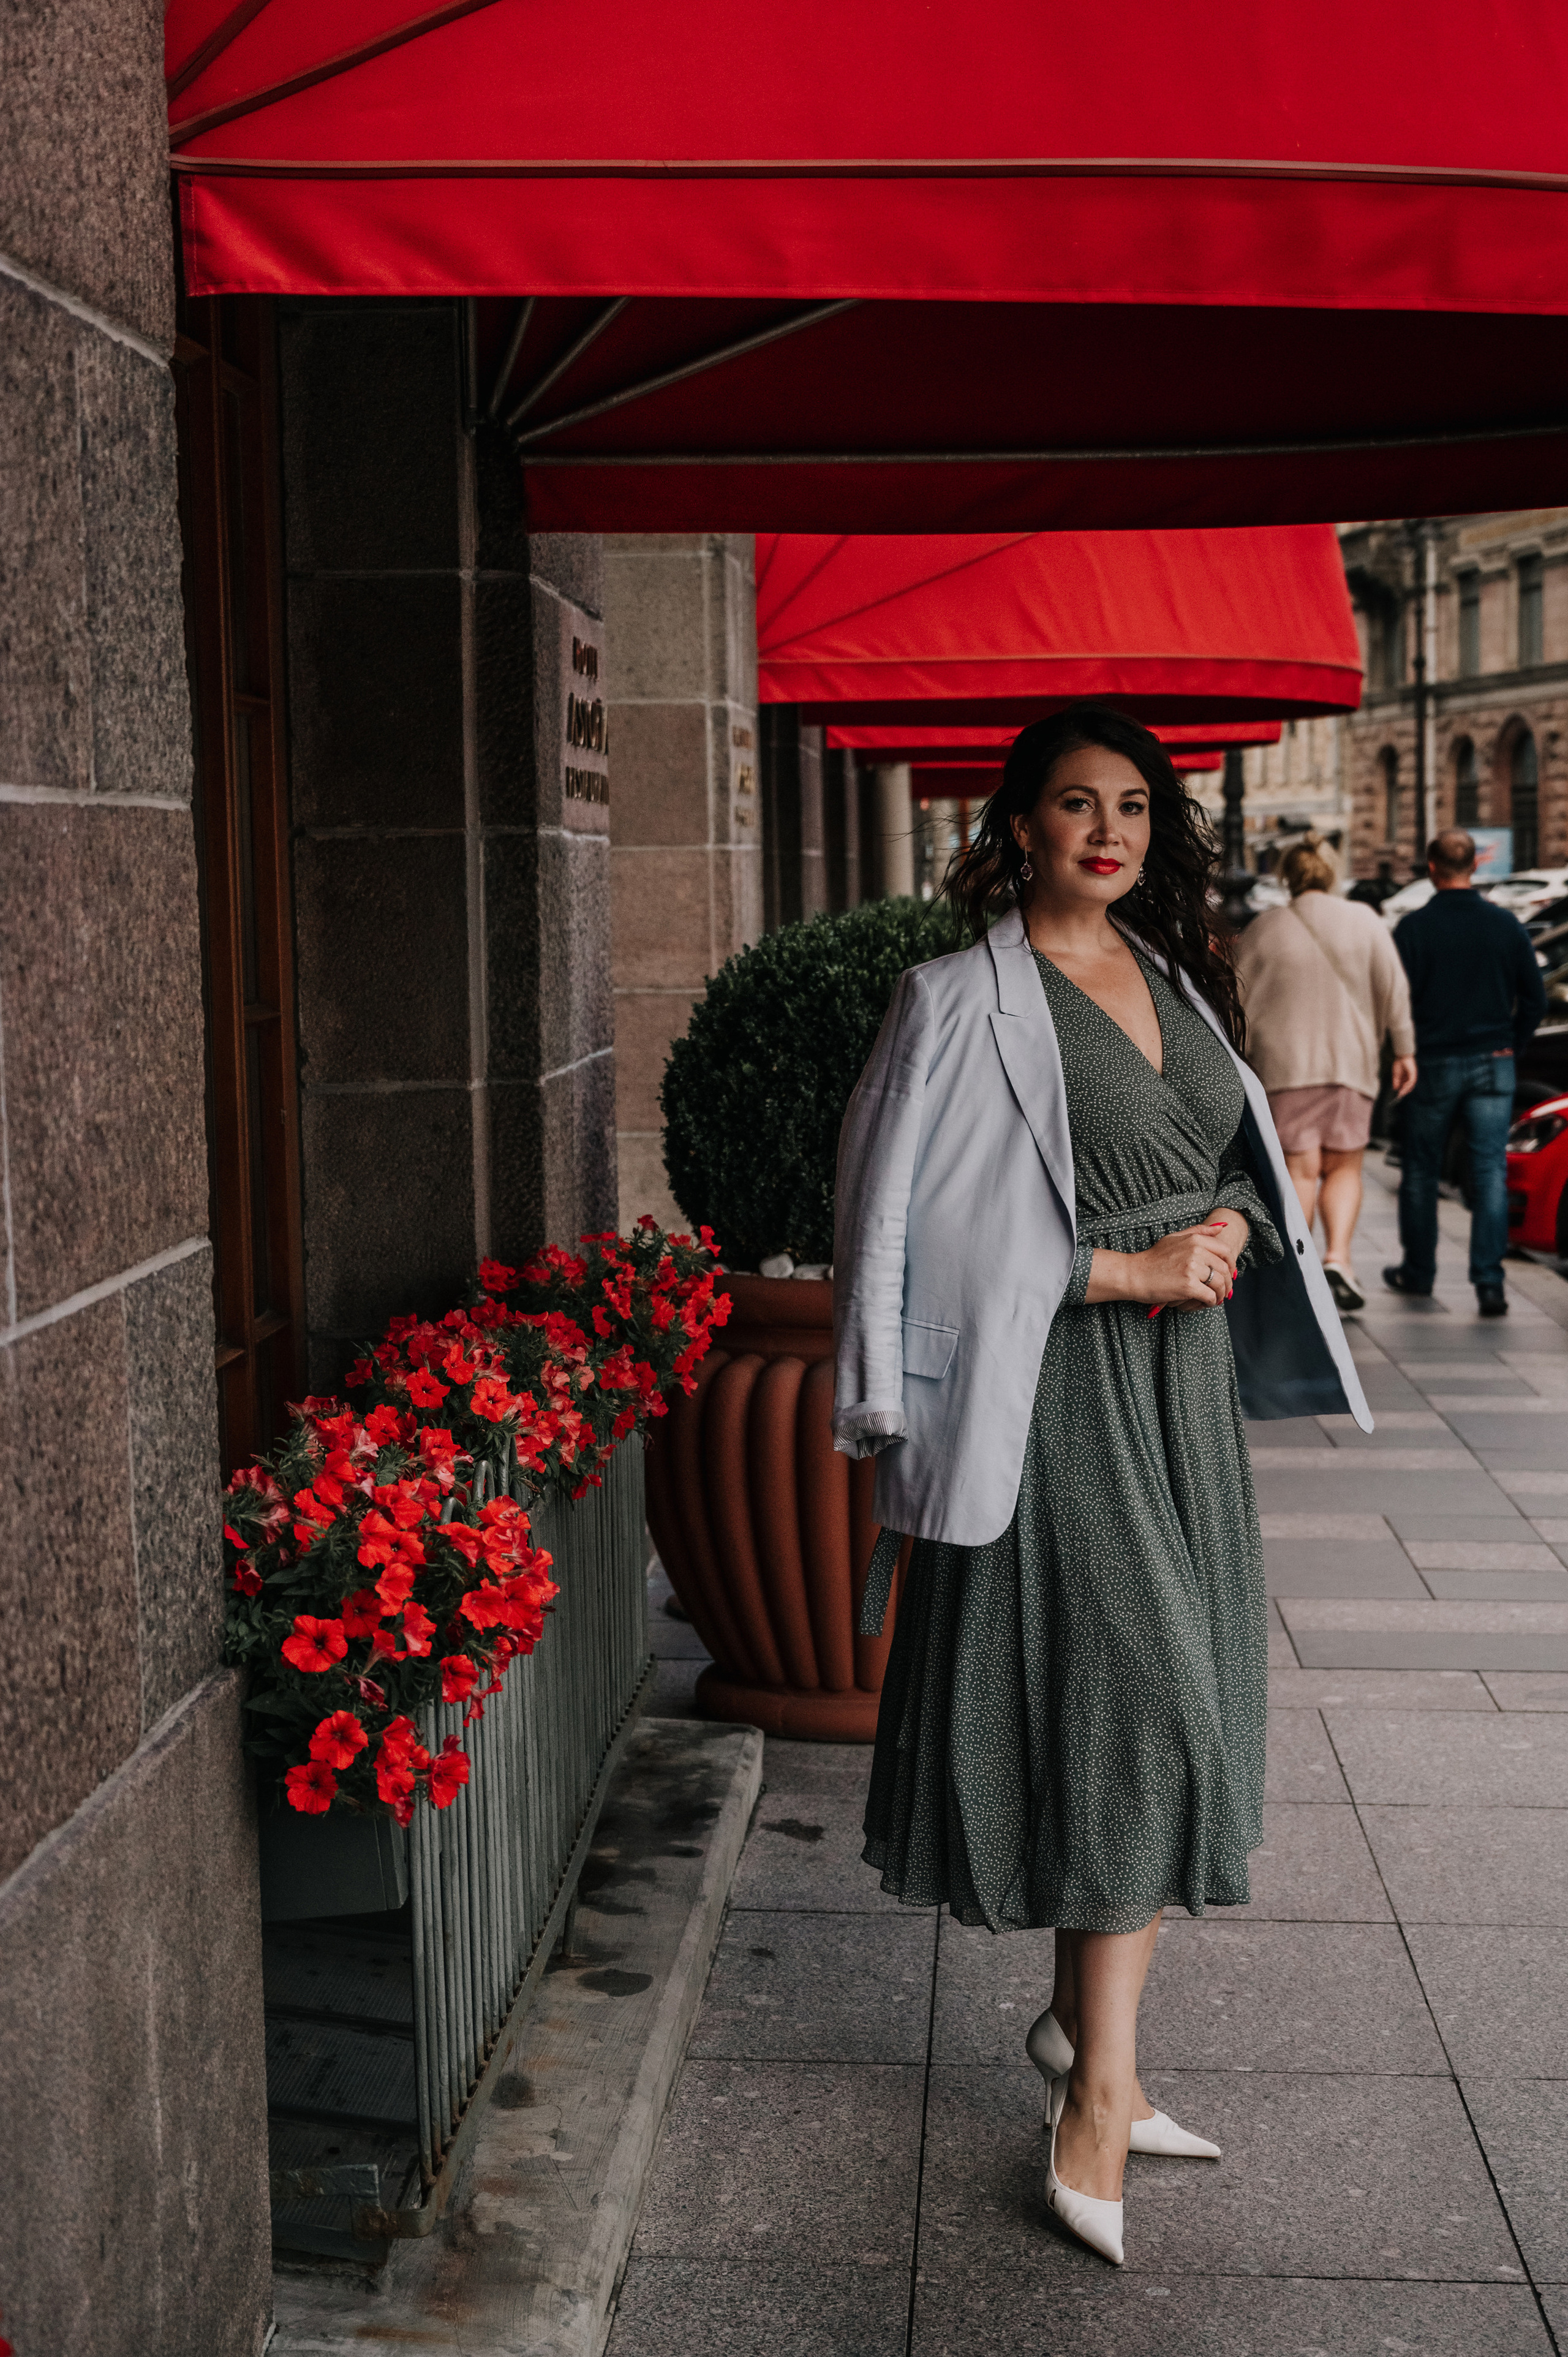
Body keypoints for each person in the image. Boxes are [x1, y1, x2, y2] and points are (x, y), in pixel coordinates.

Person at [832, 706, 1368, 2269]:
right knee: (1136, 1701)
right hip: (1051, 1392)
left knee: (1162, 1682)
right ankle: (1096, 2090)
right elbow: (892, 1232)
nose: (1105, 829)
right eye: (1072, 803)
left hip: (1174, 1391)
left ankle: (1081, 2035)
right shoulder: (951, 999)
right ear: (1015, 825)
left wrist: (1218, 1236)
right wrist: (1109, 1264)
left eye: (1131, 804)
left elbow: (1227, 1167)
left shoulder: (1183, 982)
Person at [1232, 839, 1417, 1312]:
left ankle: (1301, 1266)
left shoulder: (1263, 927)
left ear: (1287, 876)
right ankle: (1339, 1258)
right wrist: (1404, 1050)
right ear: (1332, 872)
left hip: (1284, 1068)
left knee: (1301, 1170)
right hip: (1351, 1064)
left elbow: (1235, 1003)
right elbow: (1394, 989)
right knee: (1346, 1166)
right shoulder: (1365, 921)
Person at [1386, 827, 1547, 1316]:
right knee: (1489, 1172)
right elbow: (1535, 999)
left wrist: (1402, 1051)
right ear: (1475, 867)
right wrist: (1510, 1047)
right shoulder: (1506, 925)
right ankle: (1490, 1283)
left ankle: (1419, 1271)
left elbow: (1397, 1004)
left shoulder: (1413, 929)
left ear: (1432, 868)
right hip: (1494, 1060)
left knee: (1421, 1169)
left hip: (1432, 1061)